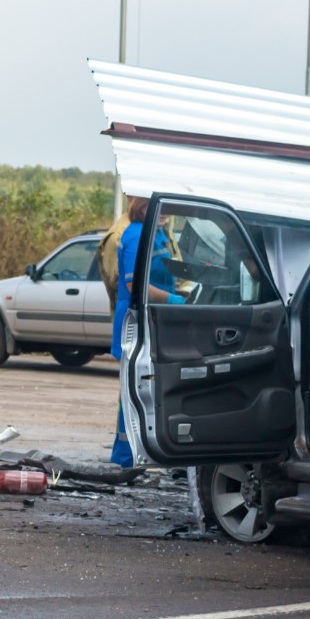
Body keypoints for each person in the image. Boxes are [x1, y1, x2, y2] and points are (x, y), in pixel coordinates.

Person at [110, 196, 186, 466]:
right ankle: (125, 456)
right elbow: (135, 286)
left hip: (153, 317)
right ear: (142, 208)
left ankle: (143, 452)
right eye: (157, 208)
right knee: (134, 389)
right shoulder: (135, 236)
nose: (165, 214)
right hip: (136, 319)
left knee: (148, 387)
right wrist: (173, 299)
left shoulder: (156, 235)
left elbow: (162, 272)